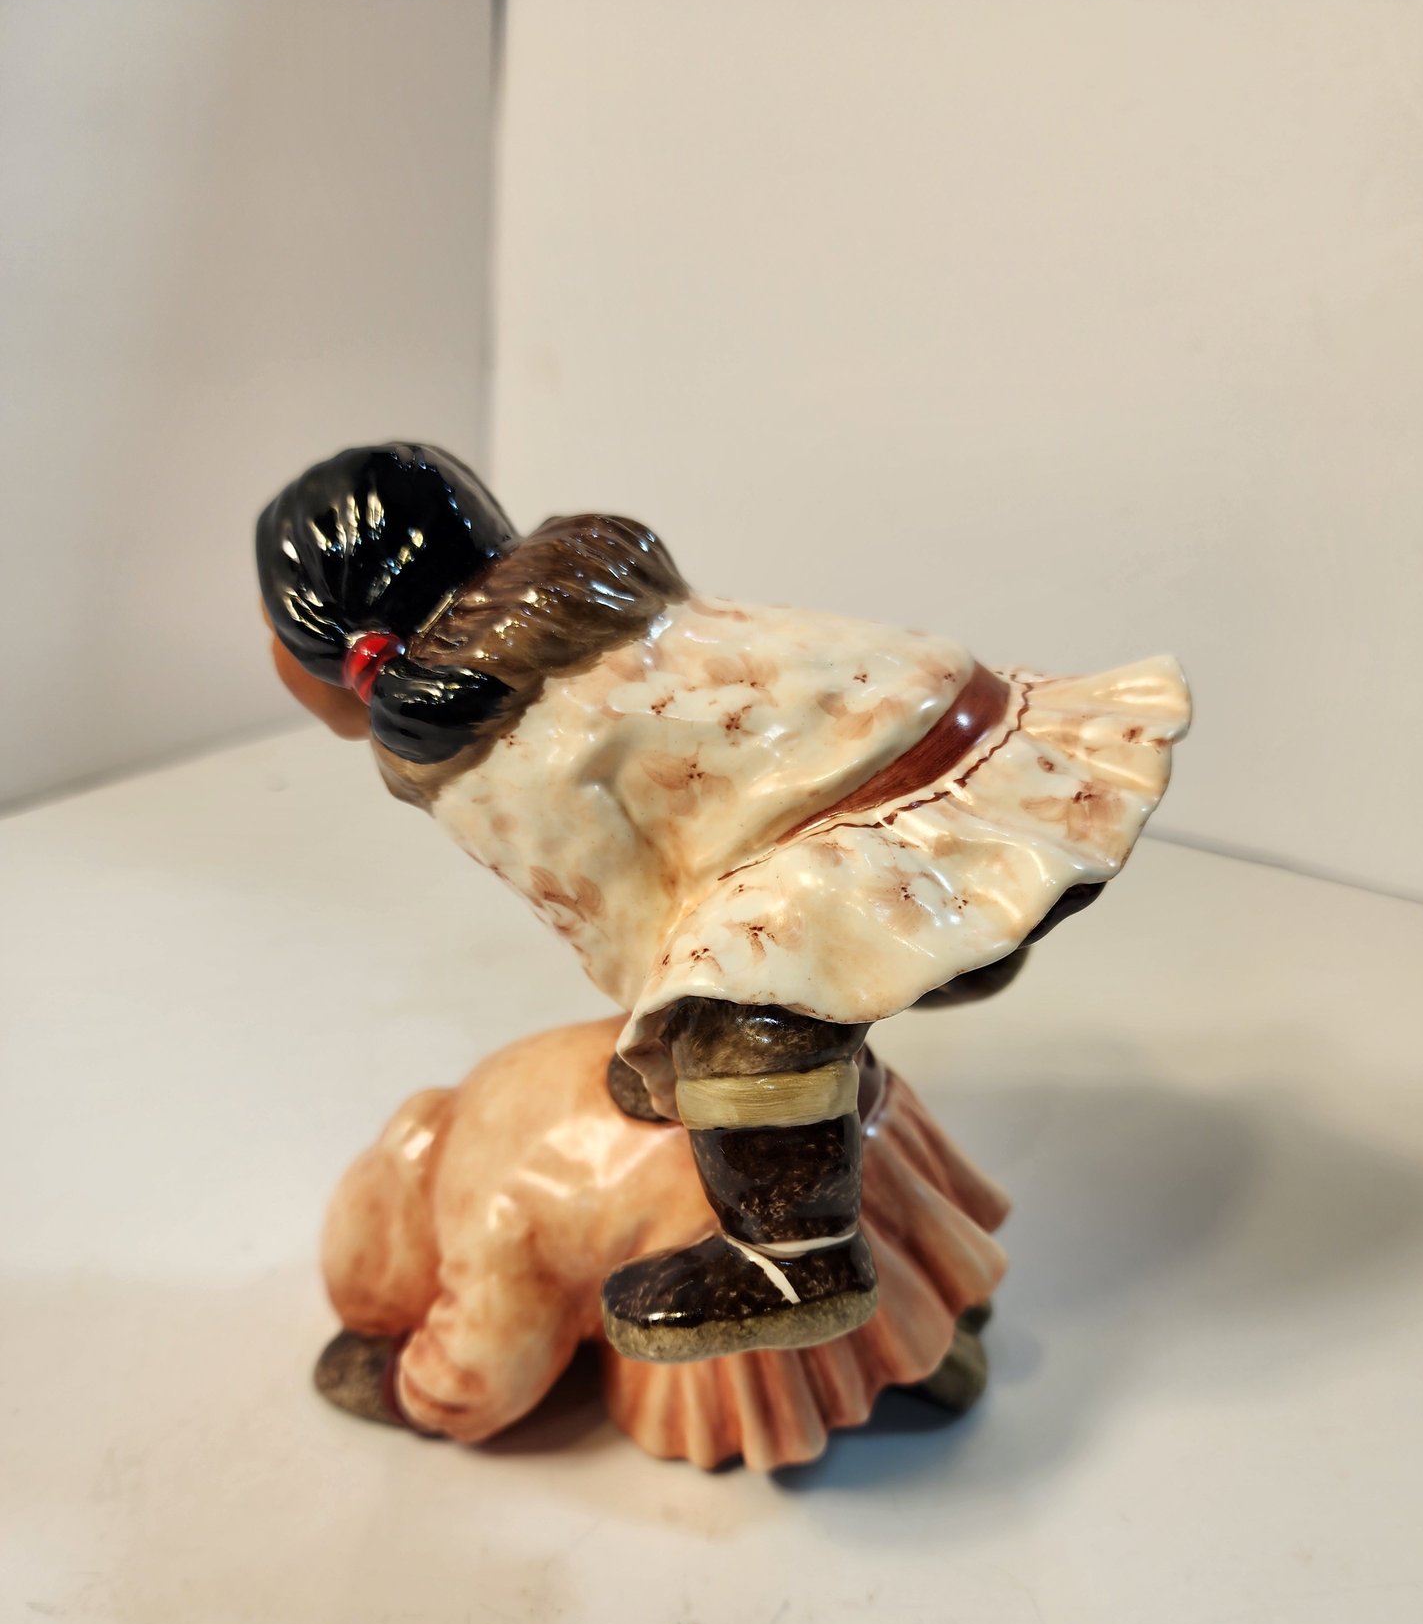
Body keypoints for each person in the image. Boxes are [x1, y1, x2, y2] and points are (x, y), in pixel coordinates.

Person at [257, 442, 1190, 1364]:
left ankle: (795, 1262)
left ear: (329, 638)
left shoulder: (496, 749)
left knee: (724, 1007)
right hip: (966, 743)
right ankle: (942, 958)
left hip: (867, 821)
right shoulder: (595, 614)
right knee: (735, 958)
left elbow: (624, 915)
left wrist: (671, 1050)